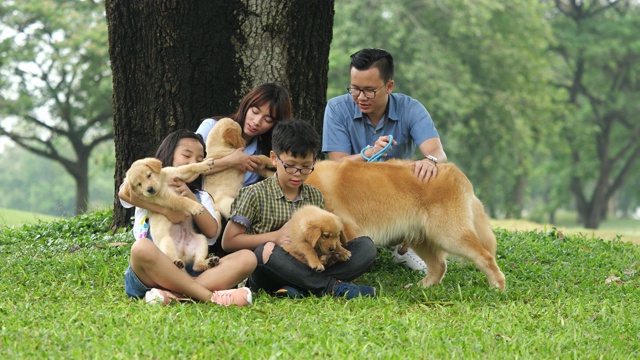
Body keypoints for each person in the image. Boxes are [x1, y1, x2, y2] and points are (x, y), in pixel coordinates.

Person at [322, 48, 448, 274]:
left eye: (369, 91)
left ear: (389, 87)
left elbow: (437, 152)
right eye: (355, 89)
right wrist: (367, 154)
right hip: (351, 196)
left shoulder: (410, 108)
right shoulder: (337, 108)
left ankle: (407, 248)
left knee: (431, 179)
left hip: (394, 198)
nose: (360, 97)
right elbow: (336, 164)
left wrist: (429, 160)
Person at [222, 120, 377, 299]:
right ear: (274, 158)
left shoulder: (314, 196)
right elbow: (229, 242)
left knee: (366, 247)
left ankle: (300, 288)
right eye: (290, 165)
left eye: (305, 167)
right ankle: (331, 288)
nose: (297, 173)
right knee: (265, 250)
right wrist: (274, 237)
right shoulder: (254, 194)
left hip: (309, 264)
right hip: (270, 271)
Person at [119, 129, 257, 306]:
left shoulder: (201, 196)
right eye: (187, 155)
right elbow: (124, 192)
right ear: (168, 155)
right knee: (141, 248)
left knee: (247, 258)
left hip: (191, 269)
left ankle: (173, 295)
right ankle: (209, 297)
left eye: (199, 160)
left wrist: (190, 197)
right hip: (151, 273)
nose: (193, 162)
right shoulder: (145, 188)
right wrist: (166, 210)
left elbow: (212, 232)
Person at [196, 82, 293, 188]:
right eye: (255, 112)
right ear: (246, 105)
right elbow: (184, 168)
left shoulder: (262, 153)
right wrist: (230, 161)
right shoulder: (212, 127)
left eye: (267, 119)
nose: (256, 122)